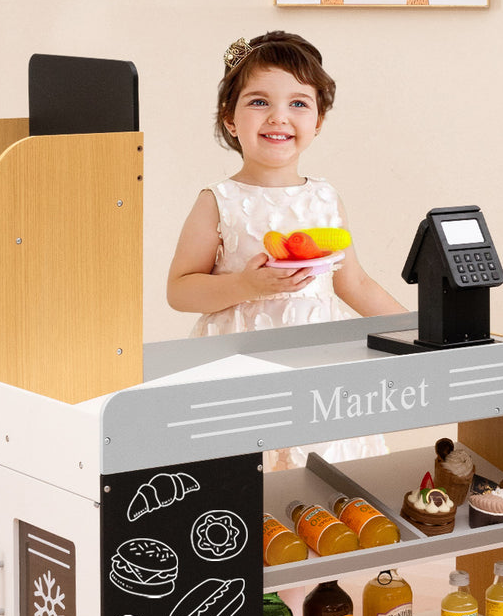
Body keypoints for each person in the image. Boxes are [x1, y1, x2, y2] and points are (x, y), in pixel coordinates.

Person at [168, 30, 406, 469]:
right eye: (259, 102)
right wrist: (245, 284)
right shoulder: (218, 200)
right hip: (237, 362)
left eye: (298, 103)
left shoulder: (326, 198)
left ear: (317, 122)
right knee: (241, 466)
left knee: (316, 466)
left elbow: (353, 282)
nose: (279, 117)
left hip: (316, 360)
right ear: (230, 119)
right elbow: (180, 291)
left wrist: (419, 330)